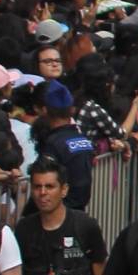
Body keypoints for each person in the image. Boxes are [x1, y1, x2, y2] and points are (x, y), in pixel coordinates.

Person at [34, 79, 95, 209]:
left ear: (45, 110)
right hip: (79, 212)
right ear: (71, 110)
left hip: (59, 213)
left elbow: (44, 177)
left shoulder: (53, 144)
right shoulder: (83, 140)